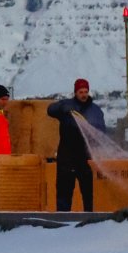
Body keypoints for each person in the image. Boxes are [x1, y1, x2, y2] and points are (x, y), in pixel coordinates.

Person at [47, 78, 105, 211]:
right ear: (75, 92)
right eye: (81, 92)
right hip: (66, 160)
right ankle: (63, 222)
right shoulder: (67, 106)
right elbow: (50, 110)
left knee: (88, 195)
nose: (84, 94)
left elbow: (102, 133)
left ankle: (89, 221)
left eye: (86, 91)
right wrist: (62, 108)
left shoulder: (95, 110)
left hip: (86, 160)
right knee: (64, 194)